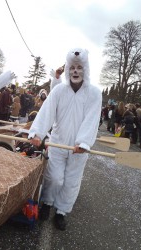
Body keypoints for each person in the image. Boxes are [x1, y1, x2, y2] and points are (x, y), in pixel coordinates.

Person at [28, 48, 102, 230]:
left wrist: (84, 142)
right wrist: (37, 133)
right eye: (72, 67)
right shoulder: (59, 90)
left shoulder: (94, 93)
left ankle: (61, 211)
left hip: (78, 149)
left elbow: (92, 119)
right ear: (68, 69)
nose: (75, 71)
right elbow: (47, 111)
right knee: (54, 178)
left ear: (86, 69)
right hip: (58, 142)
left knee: (71, 181)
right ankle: (47, 202)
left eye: (79, 67)